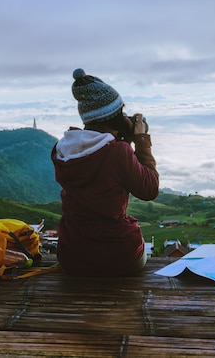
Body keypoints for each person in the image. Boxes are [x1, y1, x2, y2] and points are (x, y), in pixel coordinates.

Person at [51, 68, 159, 276]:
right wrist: (141, 140)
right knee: (140, 249)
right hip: (118, 255)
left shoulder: (62, 149)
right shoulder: (118, 152)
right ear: (115, 116)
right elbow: (149, 190)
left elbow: (100, 160)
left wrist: (124, 139)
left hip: (72, 256)